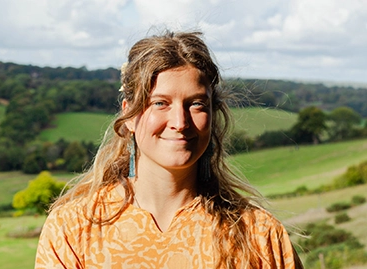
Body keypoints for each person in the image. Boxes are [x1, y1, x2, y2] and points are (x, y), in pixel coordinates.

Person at [35, 30, 303, 268]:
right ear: (129, 115)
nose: (180, 122)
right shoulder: (74, 228)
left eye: (196, 104)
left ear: (213, 113)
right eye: (160, 103)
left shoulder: (257, 233)